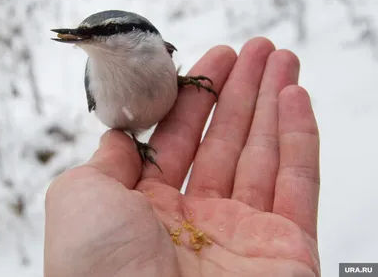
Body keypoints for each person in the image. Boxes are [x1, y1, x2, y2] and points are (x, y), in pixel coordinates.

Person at [44, 37, 320, 277]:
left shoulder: (156, 50)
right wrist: (133, 144)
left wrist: (178, 80)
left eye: (108, 32)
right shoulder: (97, 76)